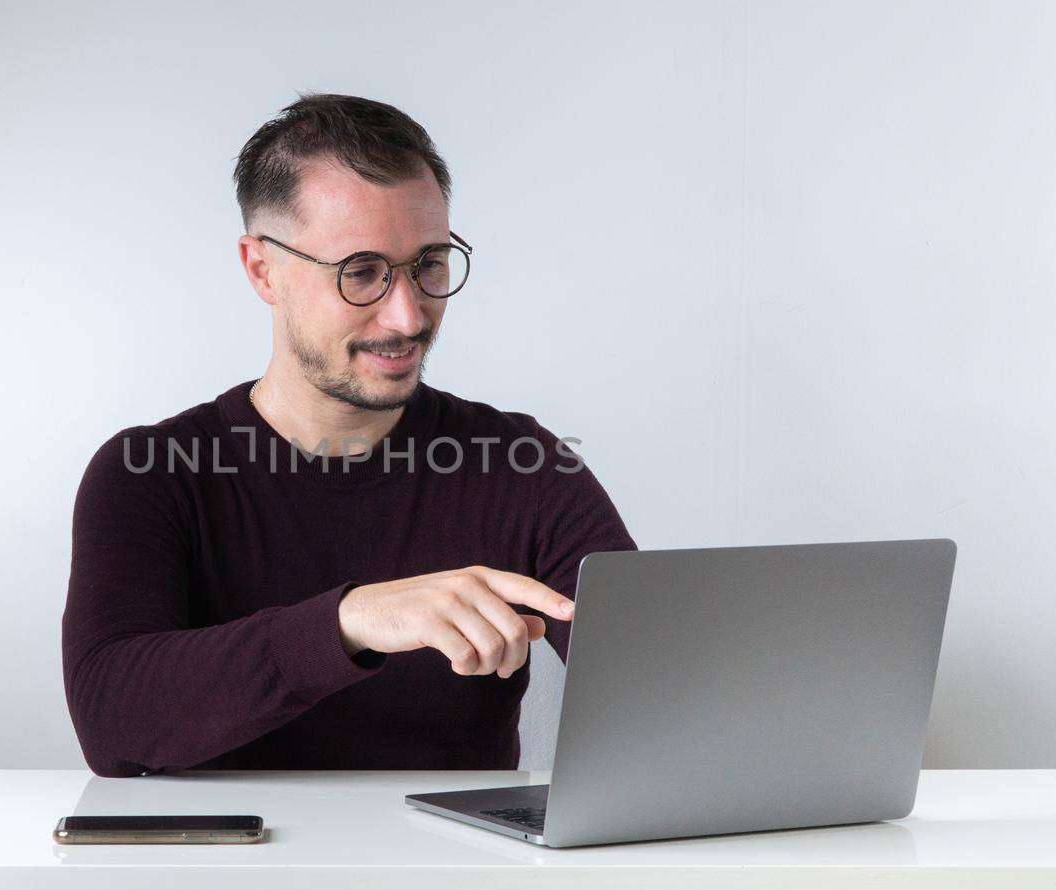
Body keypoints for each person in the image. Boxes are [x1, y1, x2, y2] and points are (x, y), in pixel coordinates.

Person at [63, 93, 637, 777]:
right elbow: (112, 724)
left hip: (452, 879)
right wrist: (349, 622)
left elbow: (660, 692)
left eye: (428, 264)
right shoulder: (150, 474)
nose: (406, 316)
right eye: (360, 272)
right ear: (261, 269)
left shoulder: (524, 467)